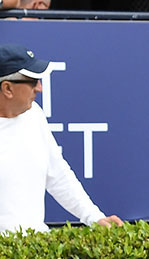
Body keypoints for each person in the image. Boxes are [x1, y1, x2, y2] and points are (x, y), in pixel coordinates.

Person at [0, 45, 122, 233]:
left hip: (37, 248)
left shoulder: (35, 115)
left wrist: (94, 217)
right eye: (33, 81)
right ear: (7, 88)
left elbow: (58, 174)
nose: (39, 88)